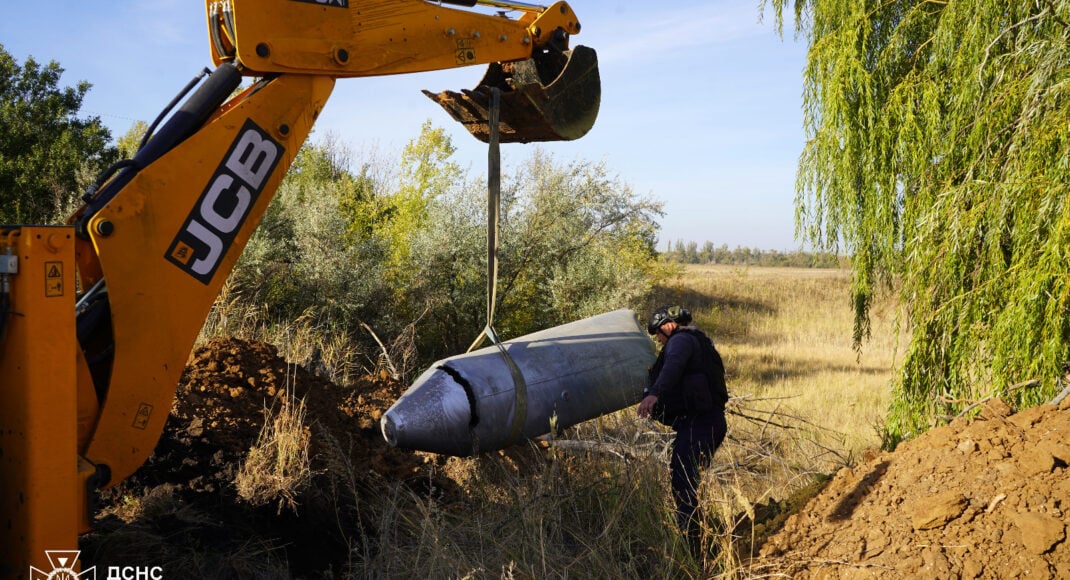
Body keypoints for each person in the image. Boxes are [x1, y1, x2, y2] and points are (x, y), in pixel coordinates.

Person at [637, 304, 729, 548]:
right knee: (689, 482)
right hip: (708, 422)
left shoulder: (680, 342)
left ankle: (693, 546)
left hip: (700, 423)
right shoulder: (700, 341)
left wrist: (653, 394)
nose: (657, 339)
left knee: (683, 483)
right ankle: (702, 537)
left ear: (668, 325)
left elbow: (673, 366)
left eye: (657, 333)